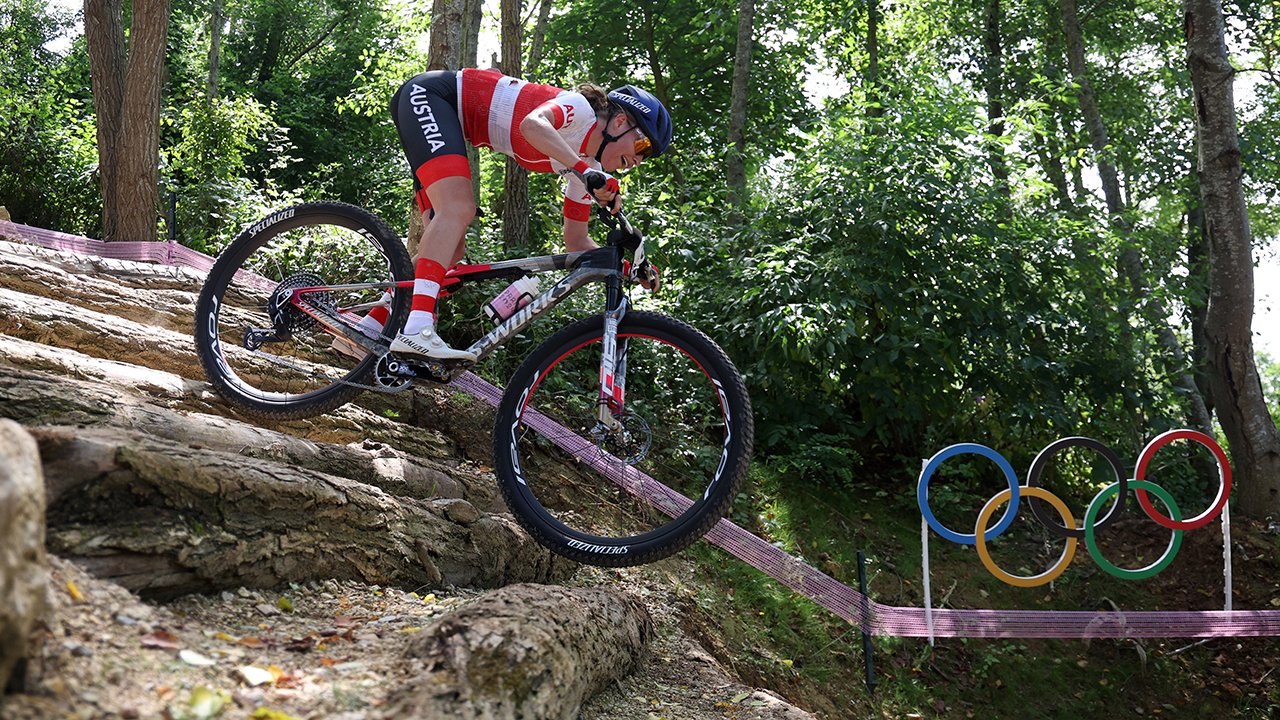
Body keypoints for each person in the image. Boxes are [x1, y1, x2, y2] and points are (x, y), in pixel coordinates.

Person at [339, 67, 672, 362]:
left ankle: (366, 330)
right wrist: (585, 171)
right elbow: (533, 124)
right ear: (618, 122)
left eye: (648, 156)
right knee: (458, 208)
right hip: (431, 97)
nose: (641, 159)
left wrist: (627, 267)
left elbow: (575, 240)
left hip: (446, 121)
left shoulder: (586, 166)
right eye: (642, 146)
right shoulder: (581, 110)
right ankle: (418, 327)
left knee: (449, 250)